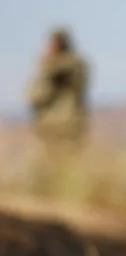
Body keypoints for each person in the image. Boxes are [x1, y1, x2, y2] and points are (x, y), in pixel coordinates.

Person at [25, 27, 90, 193]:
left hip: (67, 121)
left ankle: (67, 190)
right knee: (49, 160)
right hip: (49, 121)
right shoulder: (52, 63)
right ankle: (51, 189)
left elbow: (72, 80)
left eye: (54, 43)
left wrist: (50, 63)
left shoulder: (72, 63)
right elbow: (37, 93)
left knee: (68, 159)